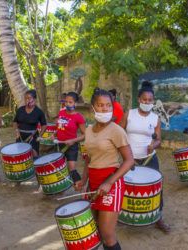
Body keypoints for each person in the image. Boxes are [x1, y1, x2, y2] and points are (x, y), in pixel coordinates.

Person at [75, 89, 134, 250]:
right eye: (100, 105)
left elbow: (129, 161)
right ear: (92, 108)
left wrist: (109, 183)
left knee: (107, 235)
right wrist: (83, 180)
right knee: (94, 229)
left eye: (108, 105)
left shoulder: (116, 130)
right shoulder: (88, 130)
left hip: (111, 183)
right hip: (93, 183)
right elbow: (88, 158)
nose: (105, 109)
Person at [119, 81, 171, 232]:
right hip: (130, 159)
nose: (147, 102)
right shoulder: (129, 114)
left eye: (150, 100)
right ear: (139, 100)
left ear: (153, 101)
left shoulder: (155, 119)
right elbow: (119, 133)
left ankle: (158, 219)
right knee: (127, 188)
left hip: (150, 159)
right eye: (144, 100)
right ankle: (123, 216)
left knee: (155, 189)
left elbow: (158, 139)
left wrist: (152, 146)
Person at [49, 92, 85, 183]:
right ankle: (60, 192)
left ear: (76, 103)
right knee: (57, 169)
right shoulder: (61, 112)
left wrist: (73, 141)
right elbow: (60, 127)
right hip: (59, 145)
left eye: (70, 102)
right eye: (66, 102)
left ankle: (80, 190)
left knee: (72, 170)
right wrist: (54, 134)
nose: (67, 104)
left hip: (71, 147)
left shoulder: (79, 117)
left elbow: (85, 134)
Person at [13, 89, 47, 157]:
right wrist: (16, 130)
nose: (27, 100)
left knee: (34, 156)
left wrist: (40, 136)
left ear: (34, 99)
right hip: (20, 137)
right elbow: (15, 121)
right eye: (25, 98)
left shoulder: (38, 112)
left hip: (33, 137)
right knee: (21, 156)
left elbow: (44, 125)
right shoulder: (20, 110)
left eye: (29, 98)